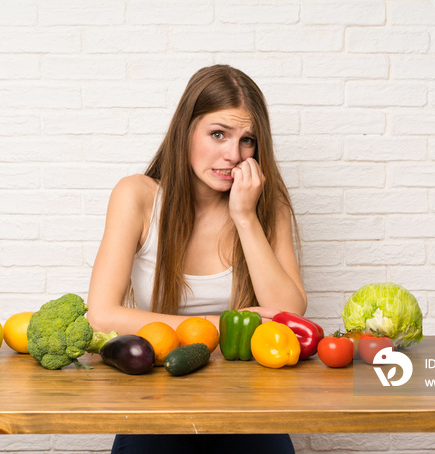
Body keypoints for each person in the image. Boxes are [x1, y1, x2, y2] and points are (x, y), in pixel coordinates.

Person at [86, 64, 306, 454]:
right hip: (156, 396)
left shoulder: (268, 210)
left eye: (247, 140)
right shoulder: (137, 196)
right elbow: (101, 315)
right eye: (218, 134)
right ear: (186, 130)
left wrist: (245, 216)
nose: (233, 155)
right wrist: (220, 328)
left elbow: (288, 314)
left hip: (250, 400)